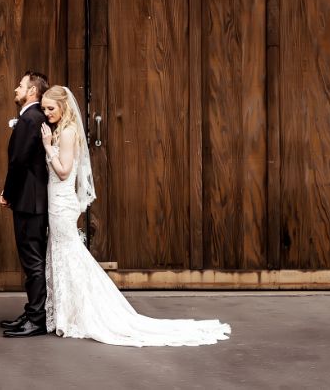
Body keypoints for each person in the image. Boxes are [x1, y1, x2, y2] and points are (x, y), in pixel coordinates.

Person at [37, 85, 231, 347]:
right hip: (56, 202)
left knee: (69, 254)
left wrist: (48, 147)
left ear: (64, 106)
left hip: (62, 204)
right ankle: (66, 313)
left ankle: (84, 312)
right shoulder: (62, 129)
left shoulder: (69, 132)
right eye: (44, 108)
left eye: (51, 108)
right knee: (62, 254)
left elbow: (63, 172)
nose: (47, 112)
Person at [0, 71, 51, 338]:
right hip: (32, 200)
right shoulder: (33, 118)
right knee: (33, 259)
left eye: (20, 85)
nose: (16, 88)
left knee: (32, 261)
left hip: (29, 202)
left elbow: (18, 161)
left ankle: (37, 319)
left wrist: (7, 191)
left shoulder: (30, 118)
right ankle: (32, 311)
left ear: (32, 92)